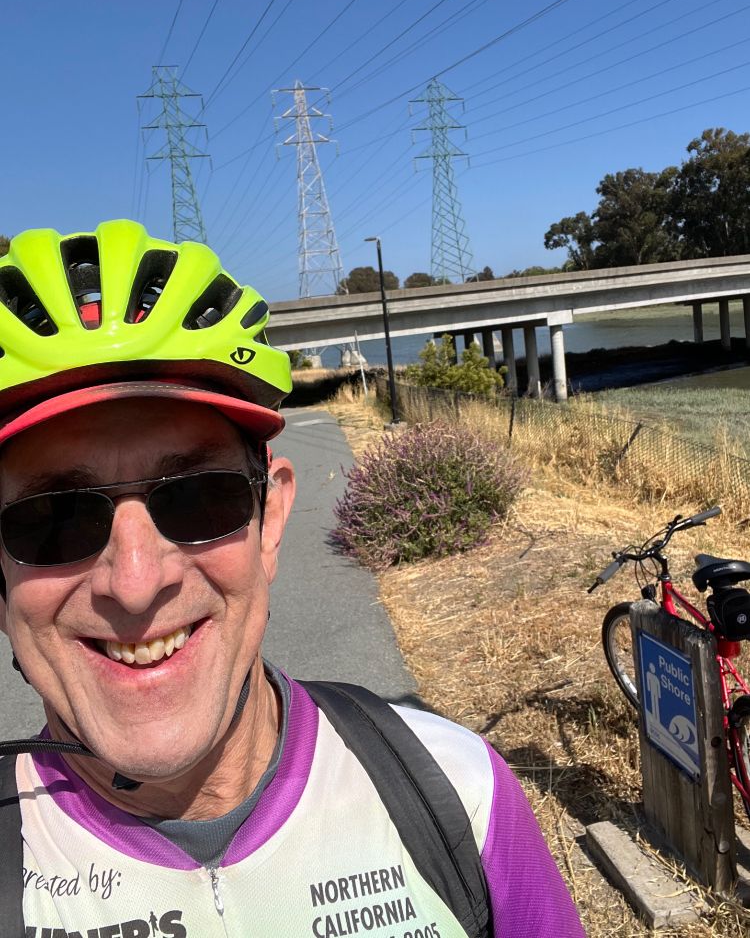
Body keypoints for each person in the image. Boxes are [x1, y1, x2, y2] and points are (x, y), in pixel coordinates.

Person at [0, 220, 586, 937]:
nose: (134, 582)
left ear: (270, 519)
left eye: (197, 497)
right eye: (54, 519)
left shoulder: (455, 792)